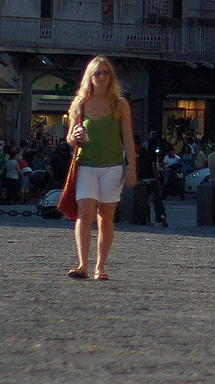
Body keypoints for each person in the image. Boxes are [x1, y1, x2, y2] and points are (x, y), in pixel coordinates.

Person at [65, 56, 137, 281]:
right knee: (85, 212)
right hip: (86, 164)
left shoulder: (120, 104)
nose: (102, 77)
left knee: (106, 216)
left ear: (111, 77)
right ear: (89, 76)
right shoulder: (80, 103)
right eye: (97, 73)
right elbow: (69, 136)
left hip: (112, 166)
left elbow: (127, 138)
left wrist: (131, 168)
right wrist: (74, 136)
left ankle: (100, 266)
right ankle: (82, 264)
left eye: (106, 73)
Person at [136, 141, 167, 227]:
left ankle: (146, 219)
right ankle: (161, 216)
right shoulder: (152, 154)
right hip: (151, 178)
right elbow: (154, 168)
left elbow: (138, 166)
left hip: (142, 178)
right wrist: (158, 181)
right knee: (157, 199)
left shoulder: (141, 154)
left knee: (144, 200)